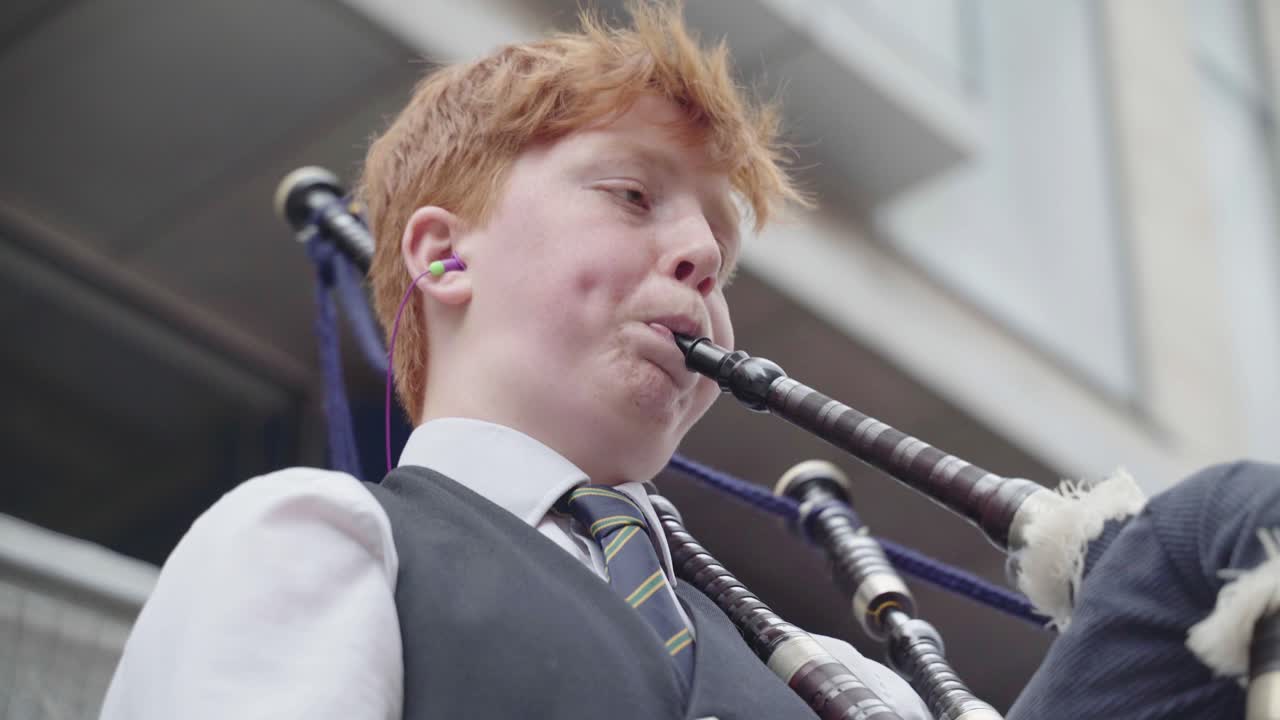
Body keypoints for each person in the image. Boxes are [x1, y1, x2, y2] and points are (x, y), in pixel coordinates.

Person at [101, 2, 931, 718]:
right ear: (444, 258)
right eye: (633, 196)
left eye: (721, 246)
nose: (701, 256)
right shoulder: (315, 540)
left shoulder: (847, 687)